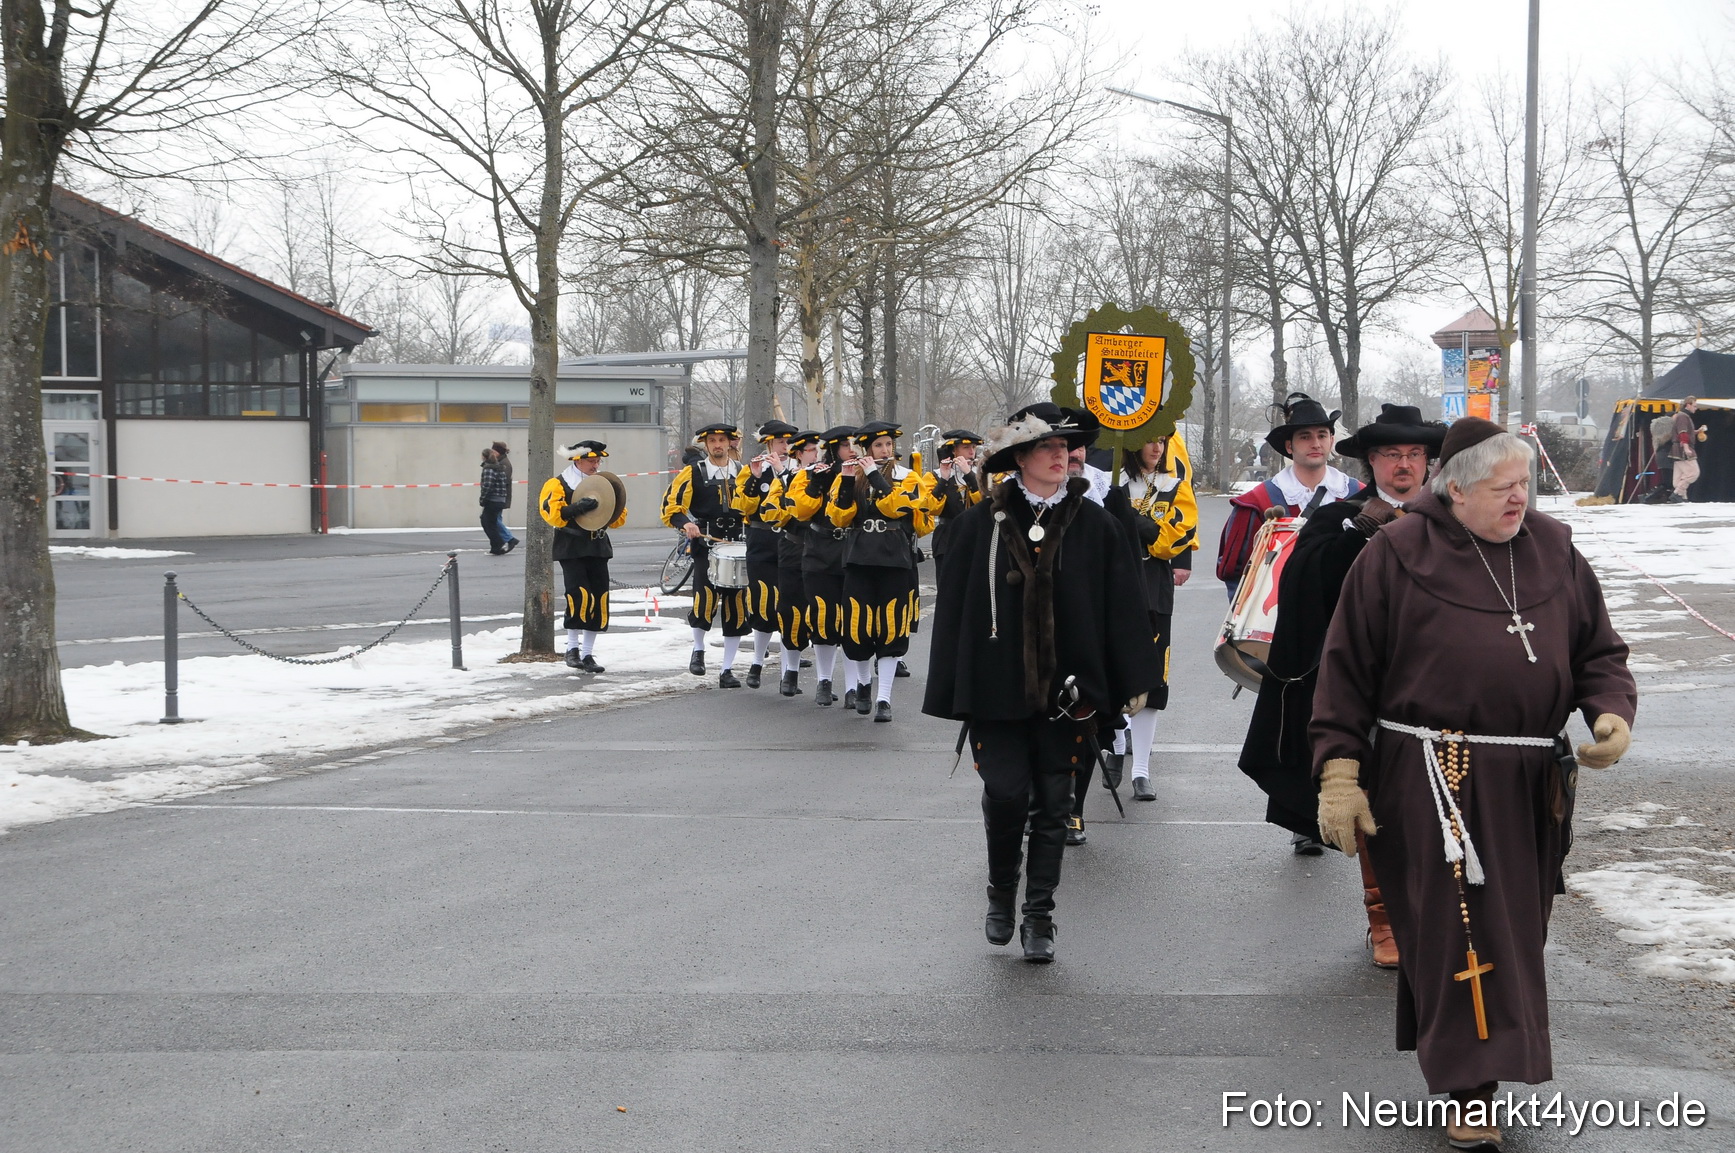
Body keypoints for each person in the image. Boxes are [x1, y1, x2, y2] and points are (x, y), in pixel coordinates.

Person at [1310, 417, 1636, 1149]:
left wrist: (1608, 711)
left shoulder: (1552, 547)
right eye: (1502, 488)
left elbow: (1597, 649)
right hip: (1434, 772)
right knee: (1458, 926)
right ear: (1454, 490)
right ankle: (1470, 1090)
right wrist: (1338, 771)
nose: (1519, 499)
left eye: (1524, 483)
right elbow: (1344, 672)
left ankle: (1478, 1065)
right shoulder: (1394, 553)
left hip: (1529, 778)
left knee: (1515, 927)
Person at [924, 403, 1164, 962]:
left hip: (1071, 695)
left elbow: (1123, 609)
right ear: (1020, 457)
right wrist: (959, 687)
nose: (1062, 456)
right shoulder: (979, 523)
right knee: (1006, 794)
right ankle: (1001, 893)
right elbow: (957, 609)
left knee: (1055, 802)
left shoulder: (1097, 524)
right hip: (997, 689)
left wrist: (1122, 684)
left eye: (1066, 448)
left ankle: (1040, 916)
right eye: (1048, 448)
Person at [1237, 404, 1444, 967]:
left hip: (1444, 684)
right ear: (1371, 461)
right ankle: (1384, 919)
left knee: (1439, 801)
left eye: (1414, 455)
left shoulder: (1456, 517)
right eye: (1391, 455)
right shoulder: (1341, 517)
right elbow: (1303, 587)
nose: (1404, 465)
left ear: (1428, 461)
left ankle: (1434, 914)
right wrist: (1360, 534)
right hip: (1369, 685)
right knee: (1374, 797)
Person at [1103, 432, 1198, 805]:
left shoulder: (1176, 488)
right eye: (1149, 441)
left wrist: (1137, 525)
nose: (1157, 448)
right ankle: (1115, 747)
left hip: (1155, 591)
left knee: (1152, 684)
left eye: (1162, 441)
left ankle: (1141, 770)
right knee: (1114, 676)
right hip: (1115, 590)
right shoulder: (1114, 486)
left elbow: (1174, 541)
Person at [826, 419, 937, 722]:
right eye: (878, 446)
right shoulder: (849, 475)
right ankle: (863, 685)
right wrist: (849, 480)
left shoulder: (907, 476)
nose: (885, 450)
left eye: (888, 445)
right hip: (860, 558)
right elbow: (839, 516)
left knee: (891, 626)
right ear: (867, 449)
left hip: (894, 558)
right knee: (857, 628)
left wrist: (875, 475)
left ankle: (884, 698)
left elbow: (897, 508)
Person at [1217, 392, 1363, 595]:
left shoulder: (1359, 495)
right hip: (1280, 619)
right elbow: (1238, 575)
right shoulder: (1258, 501)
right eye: (1305, 437)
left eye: (1322, 435)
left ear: (1331, 440)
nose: (1315, 444)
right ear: (1289, 446)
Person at [662, 421, 750, 687]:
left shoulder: (743, 472)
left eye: (722, 440)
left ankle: (727, 669)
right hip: (707, 543)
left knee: (737, 606)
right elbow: (671, 505)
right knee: (705, 598)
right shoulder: (693, 472)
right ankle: (698, 649)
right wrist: (686, 523)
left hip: (738, 544)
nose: (718, 445)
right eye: (712, 441)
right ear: (706, 445)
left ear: (729, 443)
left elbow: (755, 504)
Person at [540, 441, 626, 672]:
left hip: (597, 546)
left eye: (598, 461)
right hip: (572, 545)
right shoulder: (558, 484)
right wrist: (577, 507)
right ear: (577, 460)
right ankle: (572, 649)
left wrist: (610, 505)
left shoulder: (604, 483)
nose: (595, 465)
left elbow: (618, 518)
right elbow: (552, 514)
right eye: (591, 461)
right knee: (578, 596)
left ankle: (588, 654)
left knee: (599, 598)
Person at [789, 426, 858, 707]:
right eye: (845, 446)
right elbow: (799, 511)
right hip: (819, 551)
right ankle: (824, 680)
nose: (852, 451)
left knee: (855, 622)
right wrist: (817, 484)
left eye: (855, 445)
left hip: (854, 552)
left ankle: (855, 686)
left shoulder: (865, 475)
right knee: (823, 618)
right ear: (832, 450)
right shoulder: (809, 474)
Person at [733, 420, 800, 688]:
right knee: (762, 602)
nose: (785, 447)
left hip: (789, 542)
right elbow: (743, 508)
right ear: (768, 443)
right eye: (780, 442)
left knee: (789, 605)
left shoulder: (795, 471)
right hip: (761, 540)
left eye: (787, 442)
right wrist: (755, 478)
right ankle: (757, 662)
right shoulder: (752, 470)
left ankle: (788, 670)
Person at [762, 429, 822, 696]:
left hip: (823, 552)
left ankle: (825, 680)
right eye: (810, 450)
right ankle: (791, 673)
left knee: (823, 614)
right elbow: (771, 512)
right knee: (791, 612)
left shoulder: (827, 476)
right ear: (798, 454)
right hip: (794, 549)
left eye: (817, 449)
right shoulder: (785, 478)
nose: (816, 454)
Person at [930, 430, 984, 579]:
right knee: (947, 588)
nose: (972, 451)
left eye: (974, 447)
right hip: (947, 537)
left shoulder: (983, 474)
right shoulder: (935, 475)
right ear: (953, 450)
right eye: (966, 447)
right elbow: (930, 508)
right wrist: (944, 479)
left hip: (976, 536)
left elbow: (986, 503)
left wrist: (969, 476)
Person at [479, 443, 519, 555]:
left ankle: (505, 541)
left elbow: (489, 484)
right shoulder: (500, 464)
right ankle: (502, 542)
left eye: (494, 450)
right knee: (493, 520)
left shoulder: (499, 465)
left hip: (496, 499)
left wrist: (483, 499)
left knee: (492, 521)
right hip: (499, 498)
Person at [1668, 396, 1705, 503]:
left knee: (1679, 478)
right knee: (1694, 472)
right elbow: (1682, 432)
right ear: (1688, 405)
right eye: (1694, 406)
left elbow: (1685, 432)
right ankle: (1677, 494)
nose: (1696, 408)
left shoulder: (1681, 416)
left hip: (1677, 449)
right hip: (1682, 449)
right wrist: (1686, 447)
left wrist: (1696, 431)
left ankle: (1682, 499)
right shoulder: (1682, 416)